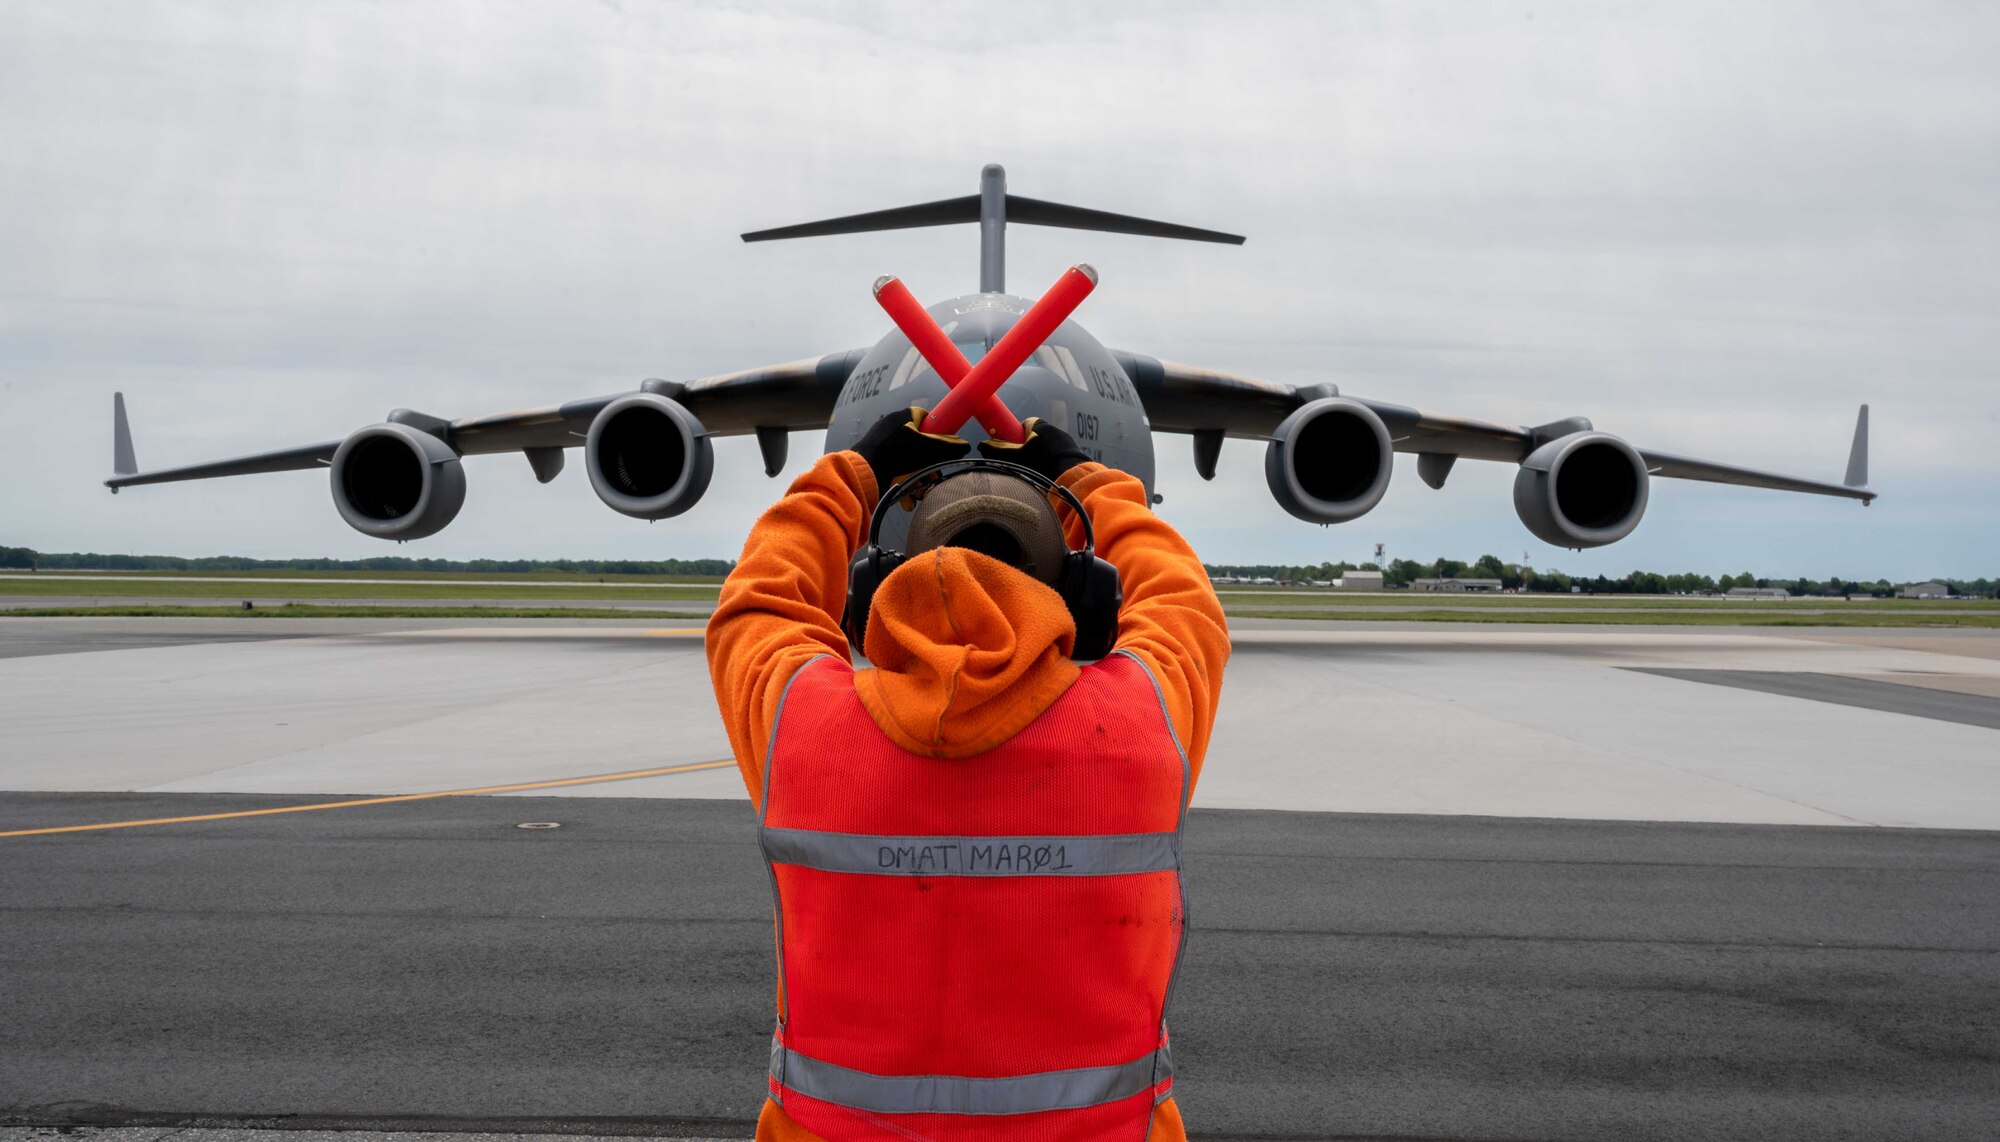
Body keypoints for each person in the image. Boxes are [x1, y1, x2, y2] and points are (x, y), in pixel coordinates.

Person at [706, 404, 1229, 1141]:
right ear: (1081, 591)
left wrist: (854, 476)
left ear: (877, 585)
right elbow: (1184, 600)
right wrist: (1087, 483)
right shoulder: (1144, 729)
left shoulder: (804, 728)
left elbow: (758, 599)